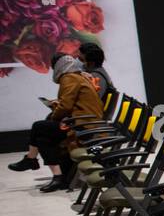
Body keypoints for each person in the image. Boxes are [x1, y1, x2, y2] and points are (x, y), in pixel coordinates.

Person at [11, 53, 104, 190]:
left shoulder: (69, 78)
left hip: (82, 125)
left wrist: (54, 116)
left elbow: (65, 106)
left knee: (38, 126)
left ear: (58, 66)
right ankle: (57, 177)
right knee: (42, 138)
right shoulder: (77, 76)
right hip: (82, 121)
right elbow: (70, 103)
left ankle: (31, 159)